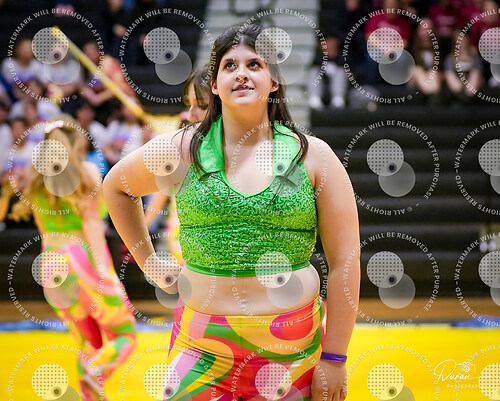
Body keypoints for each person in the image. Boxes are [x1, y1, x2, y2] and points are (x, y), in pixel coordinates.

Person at [103, 24, 360, 401]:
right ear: (214, 84)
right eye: (229, 66)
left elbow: (345, 262)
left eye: (254, 64)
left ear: (273, 81)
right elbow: (117, 187)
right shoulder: (182, 149)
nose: (241, 73)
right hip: (199, 347)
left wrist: (335, 358)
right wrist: (148, 261)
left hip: (291, 351)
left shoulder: (315, 156)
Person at [9, 116, 136, 400]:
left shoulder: (35, 178)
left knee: (88, 342)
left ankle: (90, 392)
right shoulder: (86, 171)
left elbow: (43, 232)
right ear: (76, 140)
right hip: (79, 258)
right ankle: (93, 376)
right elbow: (92, 226)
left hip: (49, 263)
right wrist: (107, 275)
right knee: (125, 334)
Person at [145, 65, 211, 265]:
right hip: (182, 234)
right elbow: (158, 200)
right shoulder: (176, 161)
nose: (191, 116)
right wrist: (142, 234)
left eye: (202, 106)